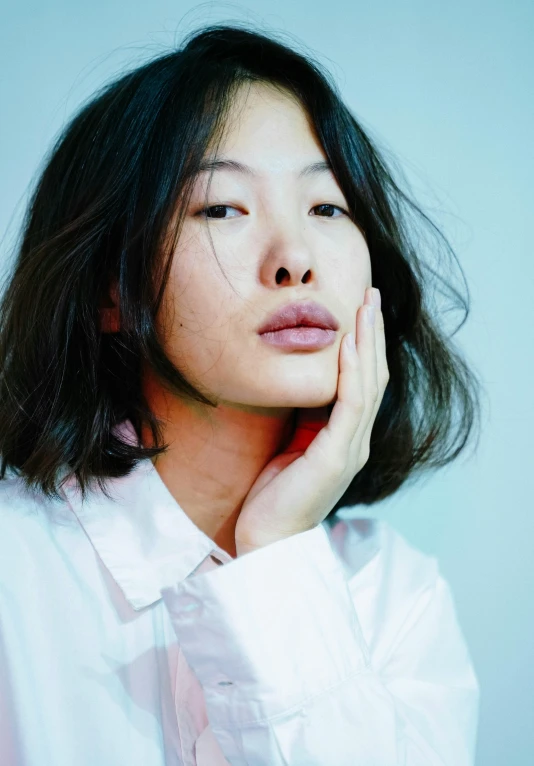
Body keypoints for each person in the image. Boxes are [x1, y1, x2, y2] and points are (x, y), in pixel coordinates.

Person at [0, 22, 482, 766]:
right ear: (111, 290)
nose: (295, 259)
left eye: (328, 209)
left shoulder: (398, 596)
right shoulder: (15, 571)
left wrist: (278, 553)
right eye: (222, 208)